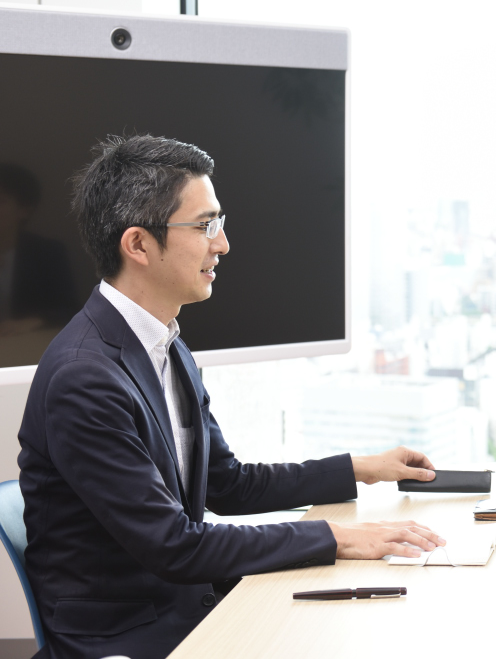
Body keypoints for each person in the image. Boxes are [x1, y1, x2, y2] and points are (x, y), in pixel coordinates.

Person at [18, 135, 447, 659]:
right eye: (204, 226)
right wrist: (339, 537)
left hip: (186, 602)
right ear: (138, 245)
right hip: (129, 635)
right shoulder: (84, 377)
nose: (221, 244)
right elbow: (174, 545)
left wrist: (359, 467)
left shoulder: (163, 343)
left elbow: (228, 485)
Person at [0, 163, 78, 336]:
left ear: (24, 210)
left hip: (28, 349)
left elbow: (70, 310)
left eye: (2, 201)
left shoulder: (47, 253)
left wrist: (35, 322)